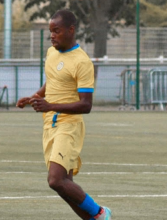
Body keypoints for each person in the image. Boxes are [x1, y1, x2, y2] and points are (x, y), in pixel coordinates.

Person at [16, 9, 111, 220]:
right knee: (64, 186)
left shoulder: (82, 62)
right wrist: (33, 96)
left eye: (56, 31)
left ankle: (100, 213)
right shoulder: (52, 53)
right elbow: (52, 80)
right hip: (50, 124)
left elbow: (86, 105)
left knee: (55, 180)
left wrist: (49, 105)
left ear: (71, 30)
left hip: (69, 126)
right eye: (50, 31)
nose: (52, 35)